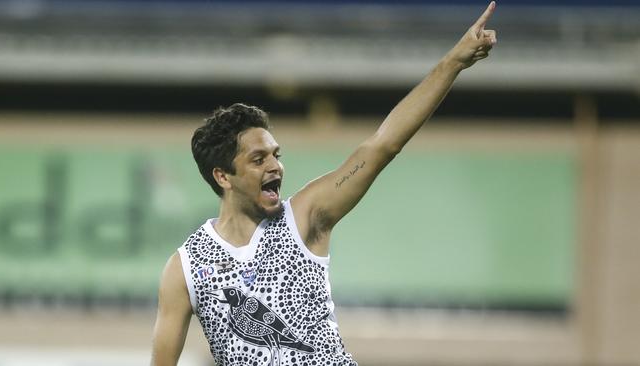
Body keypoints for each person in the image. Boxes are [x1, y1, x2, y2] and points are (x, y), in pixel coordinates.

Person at [150, 2, 497, 365]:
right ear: (223, 177)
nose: (275, 167)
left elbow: (382, 145)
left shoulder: (305, 217)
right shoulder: (187, 269)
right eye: (258, 159)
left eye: (275, 155)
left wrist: (453, 63)